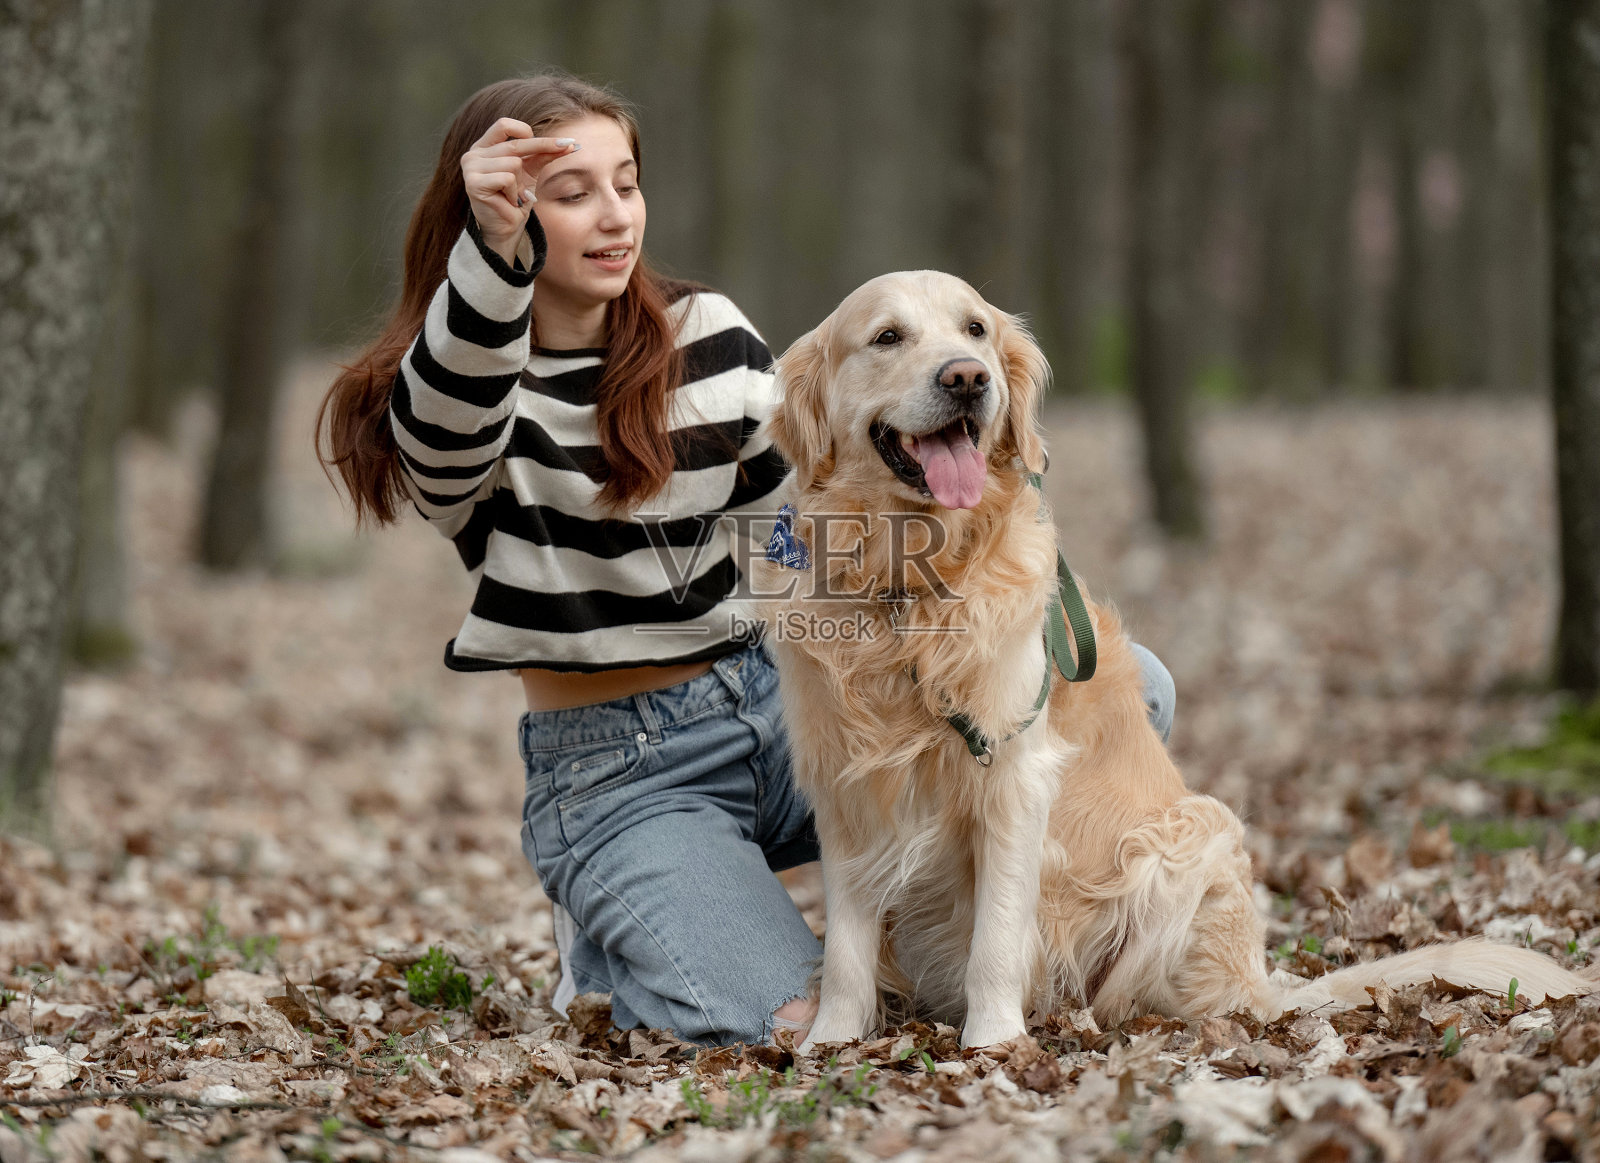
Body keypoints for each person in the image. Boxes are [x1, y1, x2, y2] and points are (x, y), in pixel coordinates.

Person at [318, 72, 1177, 1047]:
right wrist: (490, 260)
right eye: (570, 194)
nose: (613, 217)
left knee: (1118, 691)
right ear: (497, 219)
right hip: (624, 768)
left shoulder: (709, 338)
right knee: (775, 1022)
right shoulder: (454, 392)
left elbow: (792, 524)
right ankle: (623, 917)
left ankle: (935, 926)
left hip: (772, 703)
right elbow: (445, 431)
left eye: (626, 183)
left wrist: (964, 535)